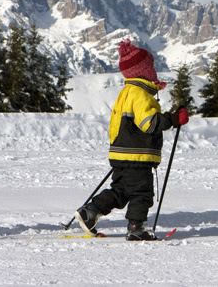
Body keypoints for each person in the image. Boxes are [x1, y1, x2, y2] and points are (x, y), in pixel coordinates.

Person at [75, 39, 189, 241]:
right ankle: (136, 227)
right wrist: (172, 119)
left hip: (123, 154)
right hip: (137, 155)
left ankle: (90, 212)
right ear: (143, 71)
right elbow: (149, 124)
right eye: (150, 67)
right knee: (141, 193)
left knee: (121, 191)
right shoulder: (141, 95)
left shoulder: (126, 93)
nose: (153, 71)